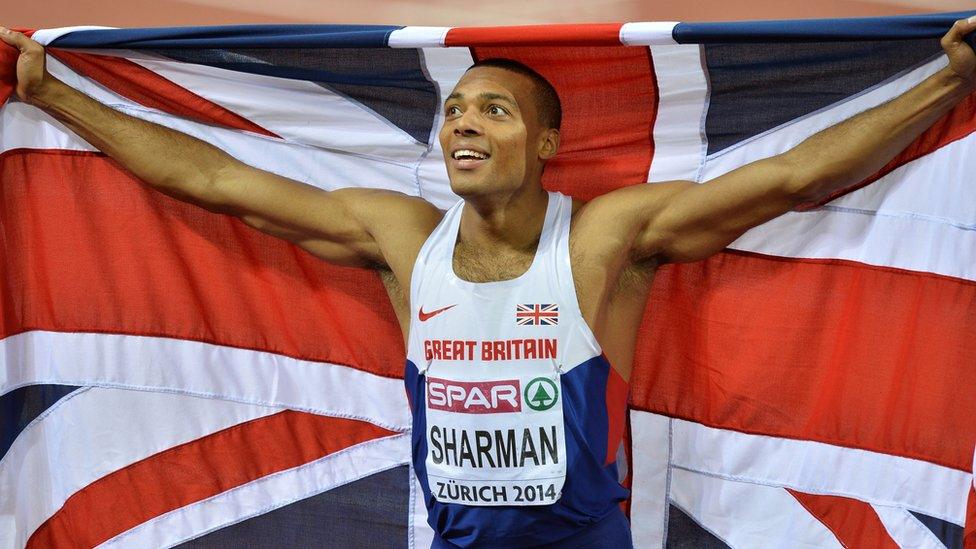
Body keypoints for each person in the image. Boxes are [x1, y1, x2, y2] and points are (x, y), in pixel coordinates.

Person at [1, 19, 974, 548]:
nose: (464, 123)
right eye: (456, 110)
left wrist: (945, 83)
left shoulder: (603, 242)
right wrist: (54, 93)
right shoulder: (399, 237)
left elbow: (793, 177)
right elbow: (212, 181)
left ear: (544, 141)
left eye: (494, 110)